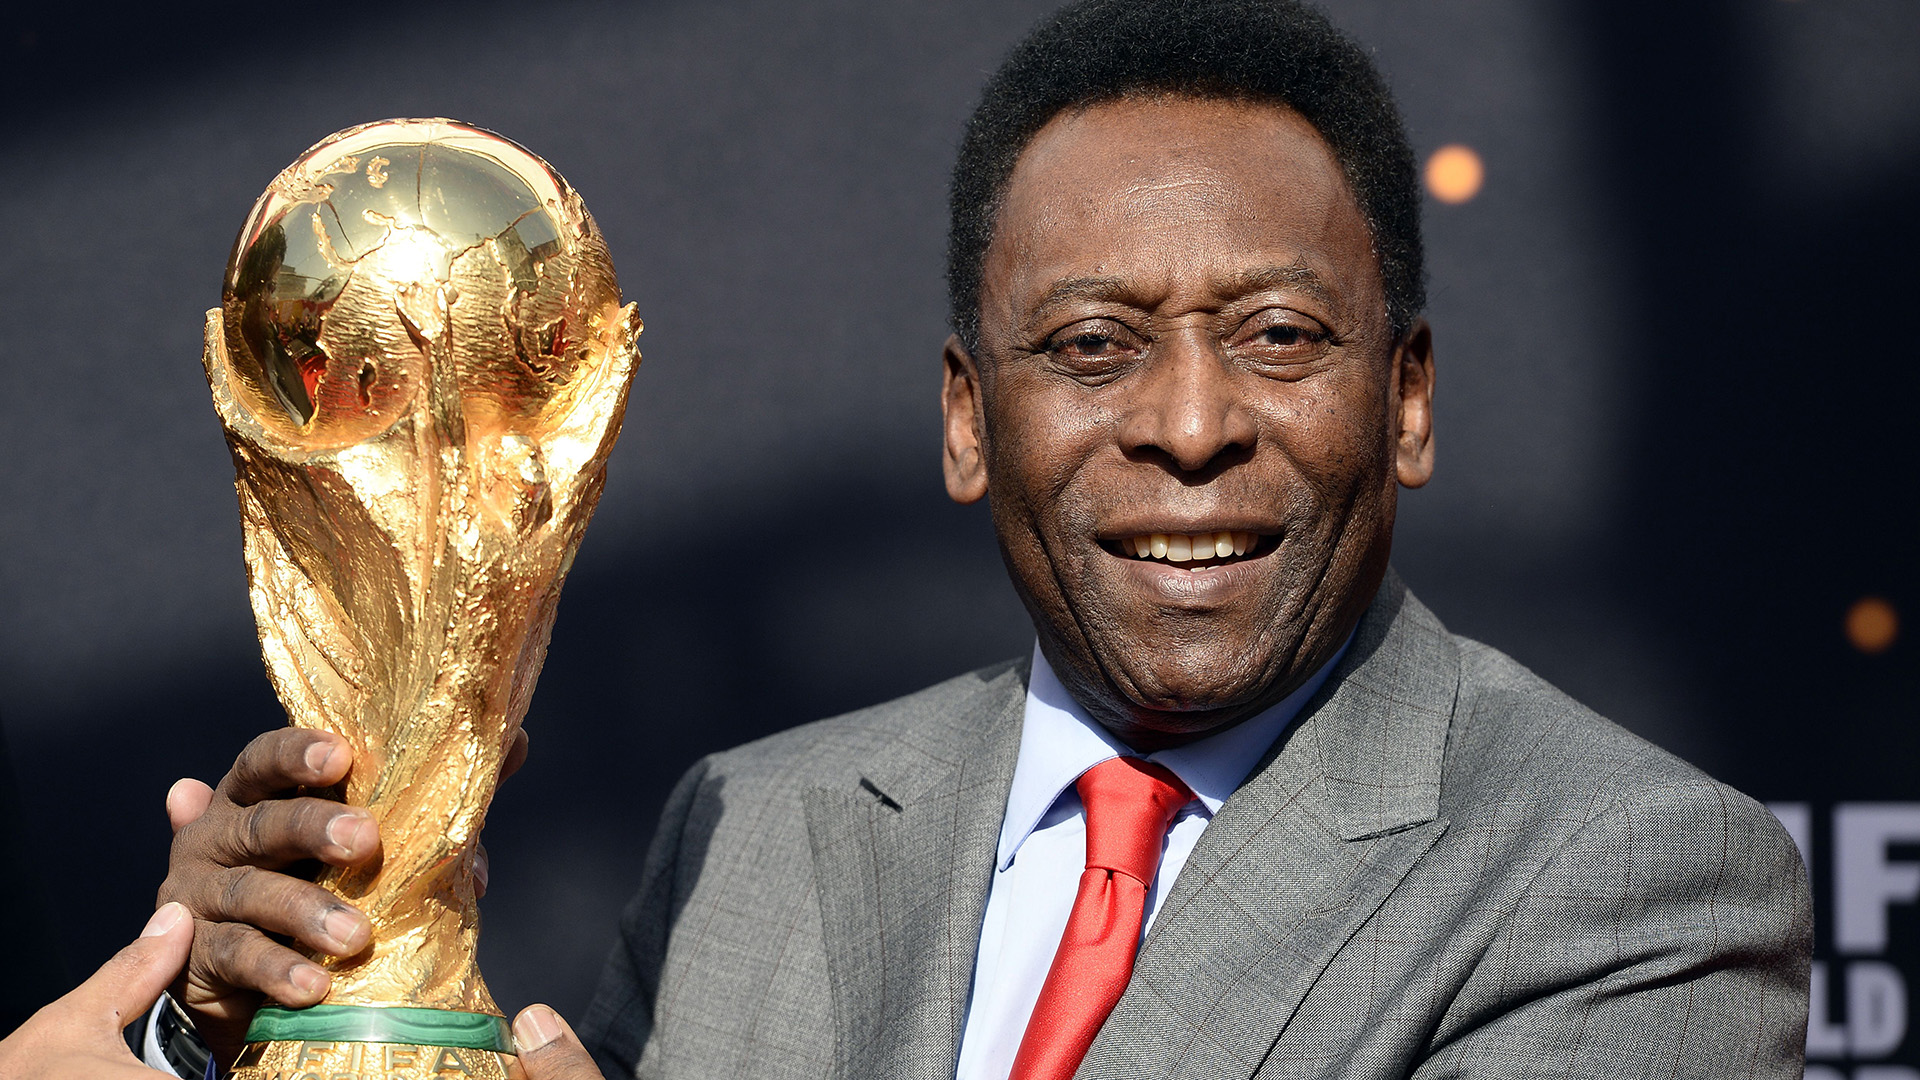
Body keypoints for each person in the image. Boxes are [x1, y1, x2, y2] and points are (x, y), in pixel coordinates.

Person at [140, 0, 1813, 1077]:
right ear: (966, 421)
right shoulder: (751, 826)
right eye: (1091, 346)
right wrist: (268, 1013)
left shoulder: (1636, 880)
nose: (1189, 423)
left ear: (1412, 400)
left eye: (1280, 337)